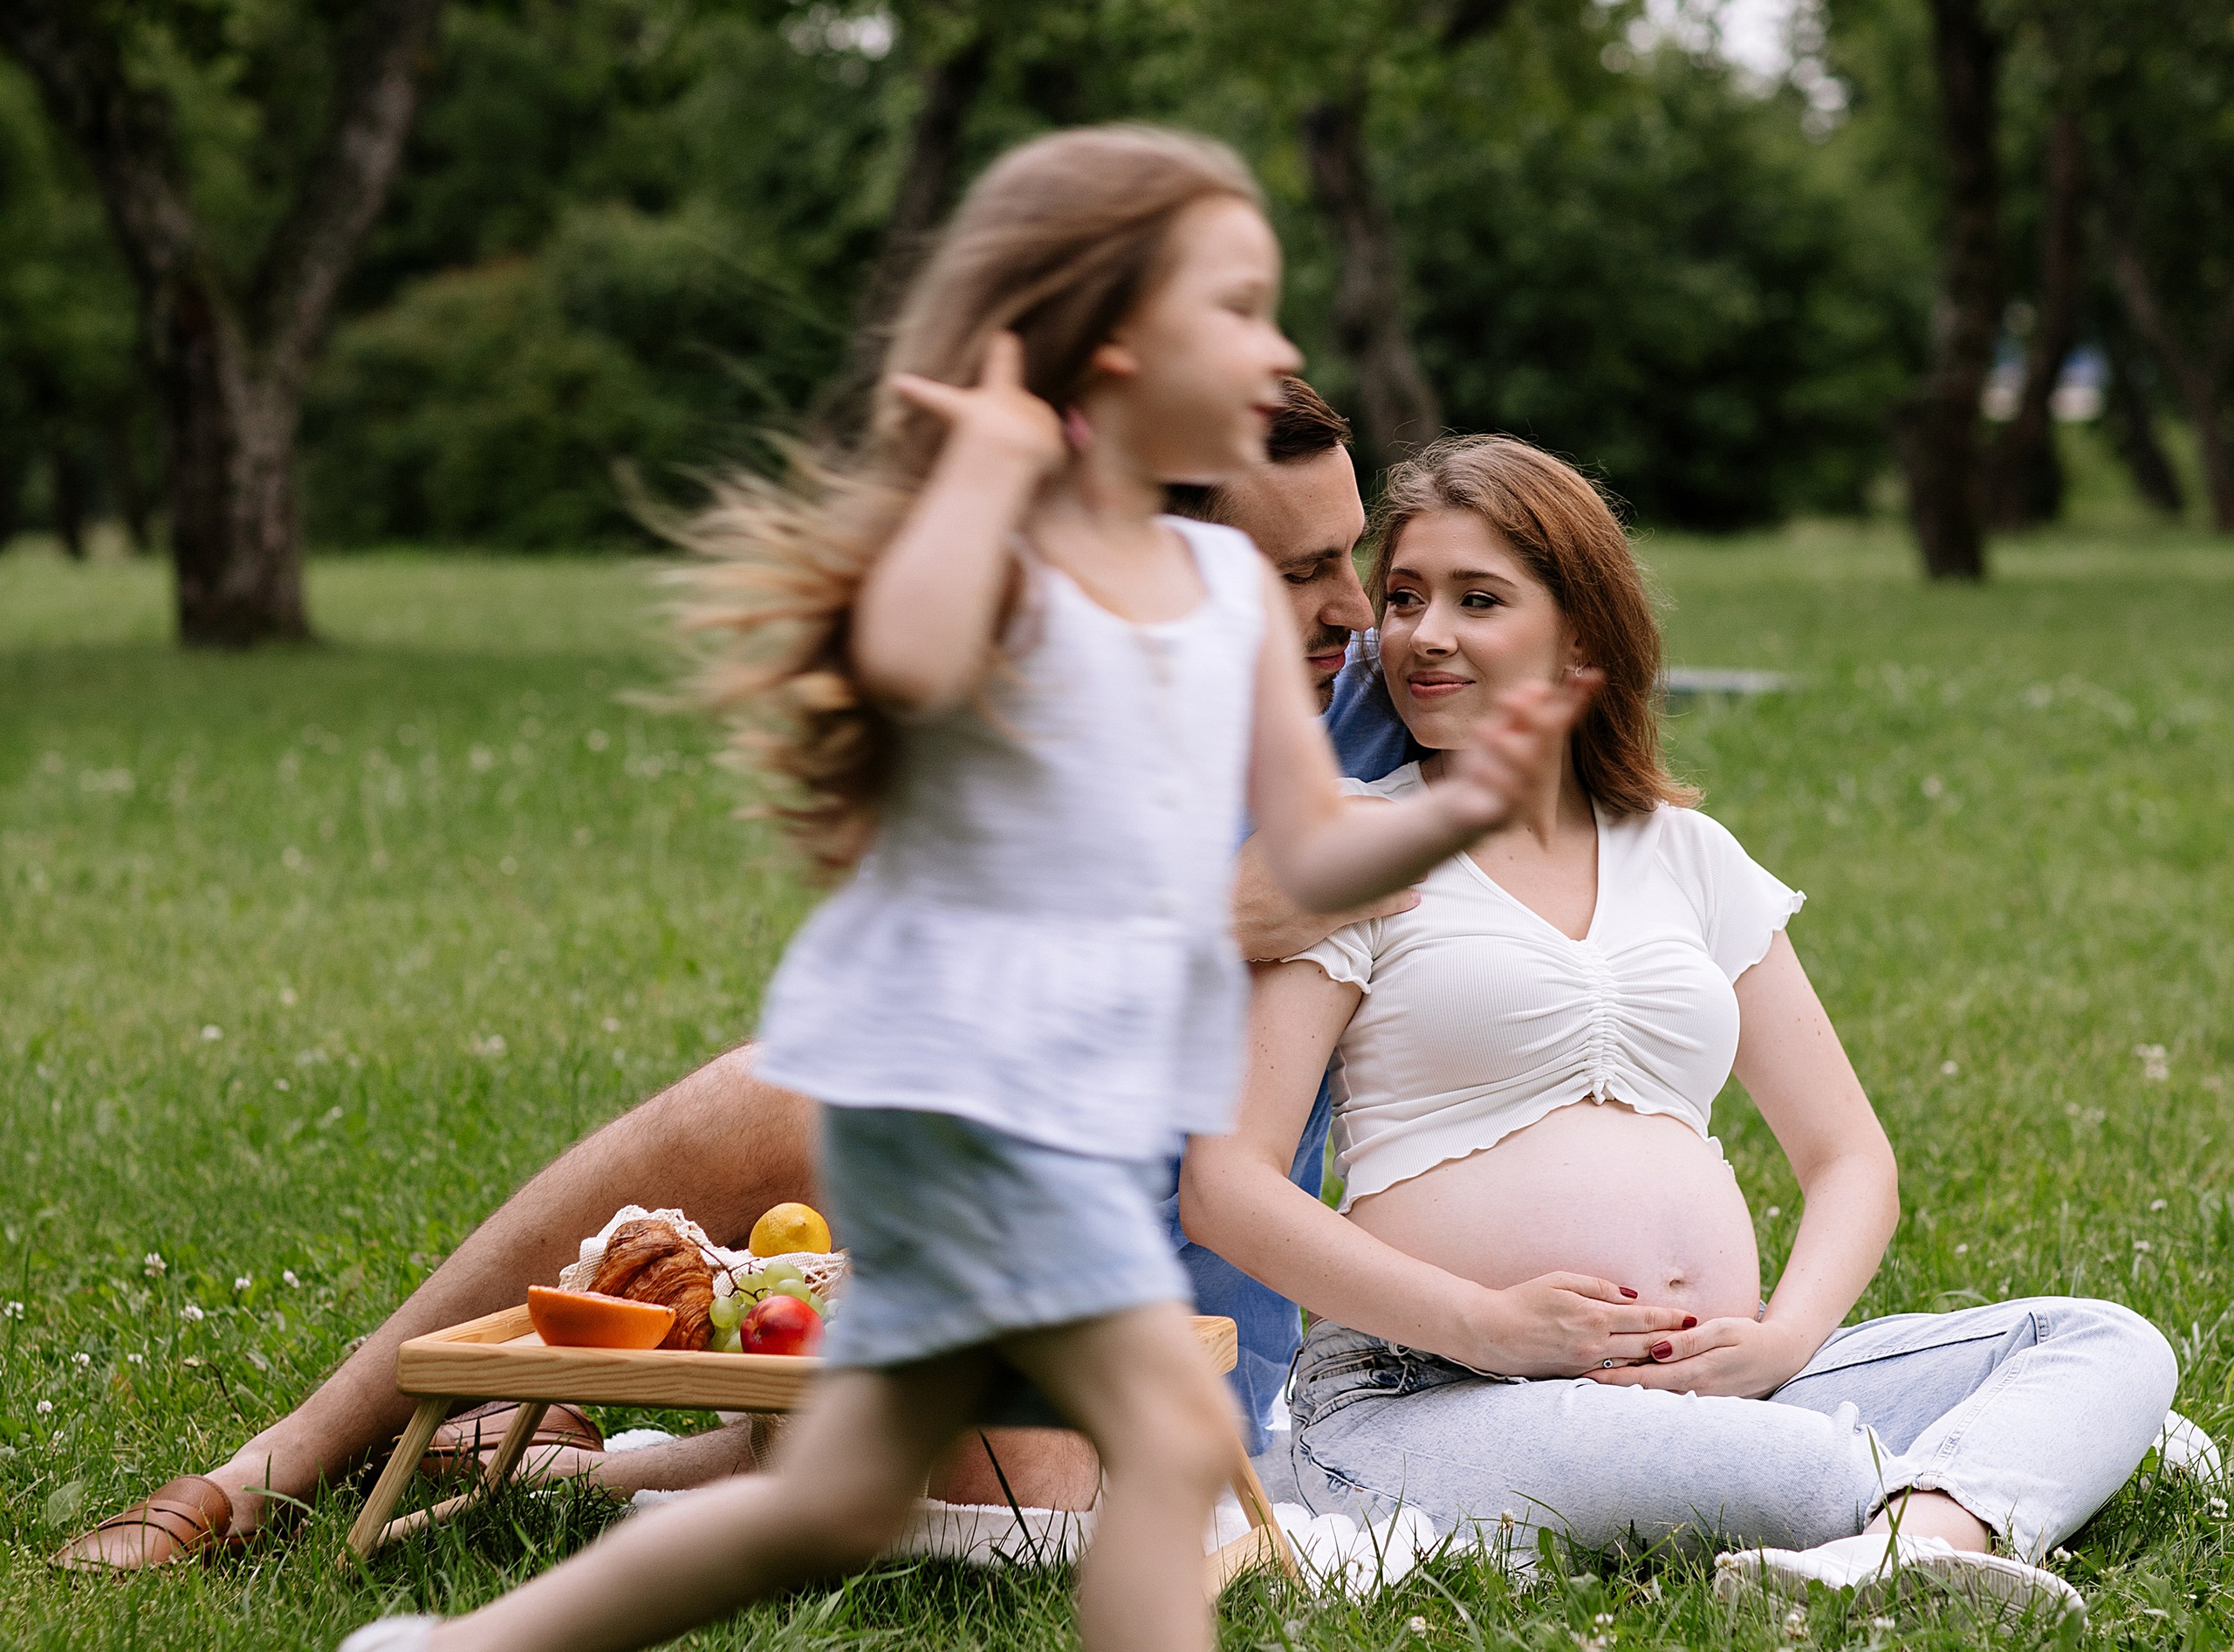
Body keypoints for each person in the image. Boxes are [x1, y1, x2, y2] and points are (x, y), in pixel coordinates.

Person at [337, 127, 1600, 1652]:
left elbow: (1322, 859)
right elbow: (907, 660)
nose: (1273, 347)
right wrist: (985, 474)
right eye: (1237, 309)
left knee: (853, 1499)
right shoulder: (1022, 571)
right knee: (1154, 1440)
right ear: (1111, 347)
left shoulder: (1224, 607)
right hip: (954, 1116)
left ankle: (471, 1644)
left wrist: (1459, 801)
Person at [52, 376, 1398, 1570]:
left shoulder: (1375, 702)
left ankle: (573, 1472)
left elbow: (1562, 634)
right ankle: (282, 1466)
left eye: (1352, 554)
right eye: (1294, 573)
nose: (1351, 606)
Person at [1182, 434, 2183, 1618]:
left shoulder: (1689, 857)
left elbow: (1847, 1154)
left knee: (2112, 1343)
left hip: (1719, 1379)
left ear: (1584, 639)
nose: (1417, 634)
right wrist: (1490, 1326)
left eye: (1476, 599)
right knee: (1815, 1468)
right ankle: (1981, 1489)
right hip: (1428, 1395)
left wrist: (1784, 1339)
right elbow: (1226, 1184)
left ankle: (1914, 1533)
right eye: (1402, 598)